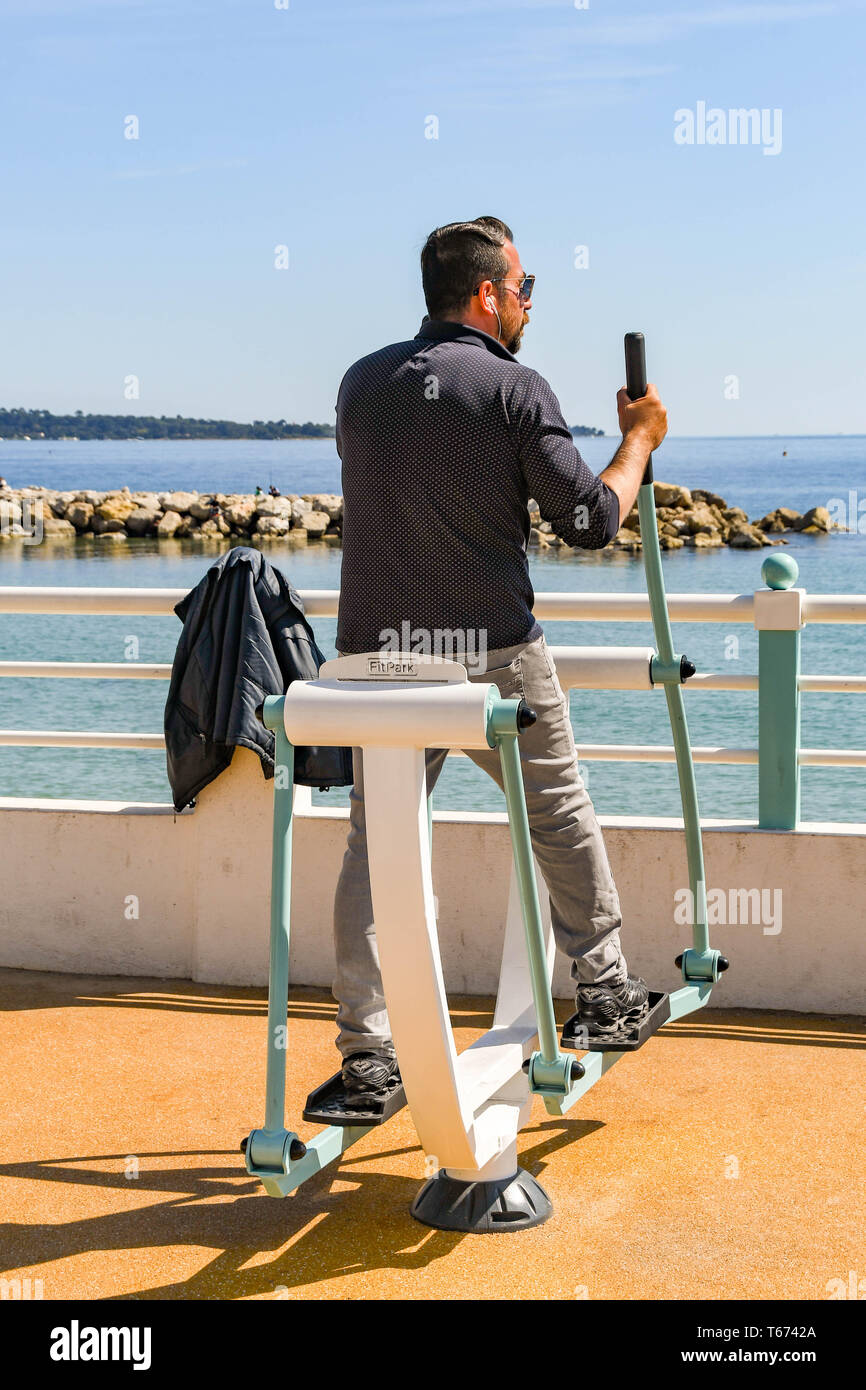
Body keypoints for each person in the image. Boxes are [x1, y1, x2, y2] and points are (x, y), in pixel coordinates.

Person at [331, 216, 668, 1103]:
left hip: (374, 663)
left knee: (376, 844)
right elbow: (589, 520)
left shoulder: (361, 384)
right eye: (523, 289)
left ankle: (367, 1054)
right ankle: (605, 993)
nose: (527, 304)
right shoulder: (516, 388)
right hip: (489, 660)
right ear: (488, 294)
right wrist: (639, 440)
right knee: (556, 812)